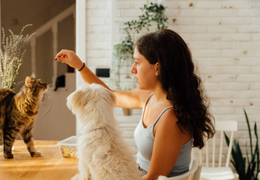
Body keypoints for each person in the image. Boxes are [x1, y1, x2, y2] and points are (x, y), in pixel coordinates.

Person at [54, 29, 215, 179]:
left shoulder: (170, 119)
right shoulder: (150, 97)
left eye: (137, 62)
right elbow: (109, 94)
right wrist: (79, 65)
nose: (132, 69)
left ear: (157, 68)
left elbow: (154, 178)